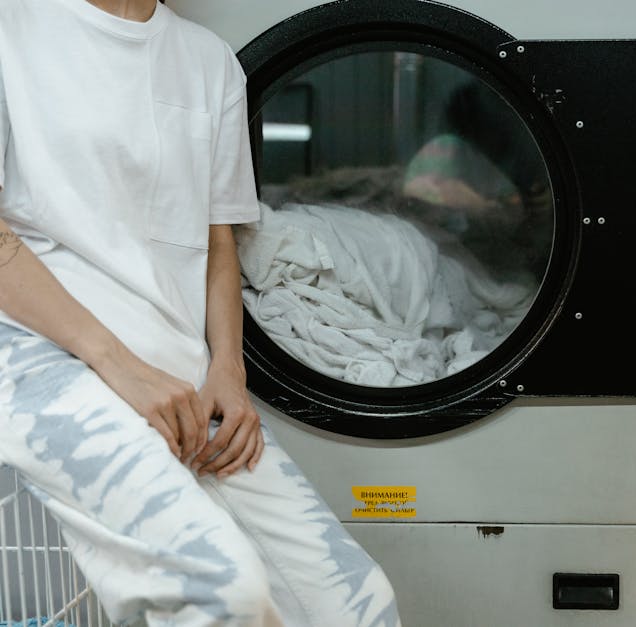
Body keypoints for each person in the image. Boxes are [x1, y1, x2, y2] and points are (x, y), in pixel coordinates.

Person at [0, 0, 401, 625]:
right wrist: (116, 364)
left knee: (358, 602)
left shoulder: (208, 61)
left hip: (176, 365)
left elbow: (219, 242)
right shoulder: (12, 26)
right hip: (45, 352)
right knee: (223, 591)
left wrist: (229, 372)